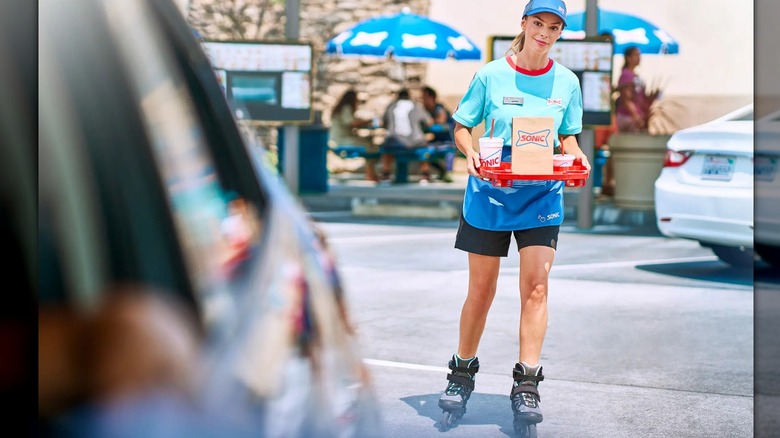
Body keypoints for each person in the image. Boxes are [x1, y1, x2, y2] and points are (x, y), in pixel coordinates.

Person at [435, 0, 590, 434]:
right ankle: (461, 374)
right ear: (523, 24)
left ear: (560, 33)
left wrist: (579, 160)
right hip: (491, 192)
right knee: (481, 291)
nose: (545, 32)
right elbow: (463, 126)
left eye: (554, 26)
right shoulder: (489, 74)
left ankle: (527, 382)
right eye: (538, 23)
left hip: (541, 193)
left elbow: (569, 137)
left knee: (536, 288)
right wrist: (469, 153)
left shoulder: (567, 82)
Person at [380, 88, 433, 184]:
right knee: (424, 147)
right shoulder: (416, 106)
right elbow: (429, 122)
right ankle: (425, 174)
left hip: (394, 141)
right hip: (415, 141)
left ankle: (386, 174)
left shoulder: (391, 106)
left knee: (387, 147)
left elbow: (383, 122)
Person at [328, 89, 379, 181]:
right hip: (341, 140)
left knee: (368, 143)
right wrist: (366, 121)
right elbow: (351, 122)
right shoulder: (346, 108)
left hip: (339, 139)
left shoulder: (341, 108)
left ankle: (370, 173)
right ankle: (371, 174)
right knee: (371, 147)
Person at [615, 46, 659, 133]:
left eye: (639, 55)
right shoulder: (626, 75)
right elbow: (626, 99)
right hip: (627, 116)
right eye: (636, 55)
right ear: (628, 58)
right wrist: (636, 117)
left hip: (634, 116)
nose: (639, 57)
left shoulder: (634, 75)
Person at [421, 86, 455, 183]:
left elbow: (441, 121)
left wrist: (431, 122)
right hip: (435, 140)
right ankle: (441, 171)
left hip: (448, 140)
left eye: (424, 97)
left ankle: (448, 172)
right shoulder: (425, 110)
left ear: (431, 97)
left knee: (449, 150)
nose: (422, 99)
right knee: (422, 151)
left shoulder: (439, 108)